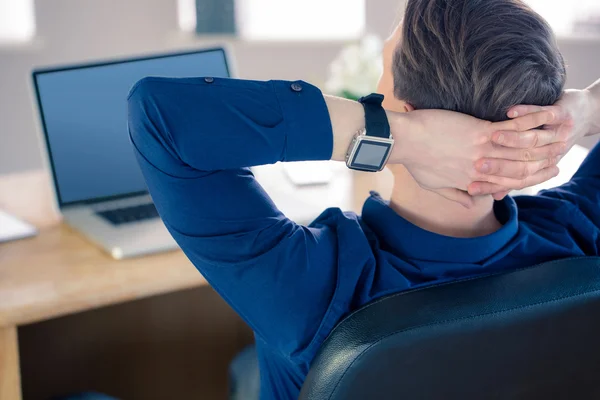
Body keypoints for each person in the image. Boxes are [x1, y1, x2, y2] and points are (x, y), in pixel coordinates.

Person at [127, 0, 600, 398]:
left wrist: (399, 138)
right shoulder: (582, 231)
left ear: (406, 114)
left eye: (384, 74)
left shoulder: (313, 286)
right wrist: (584, 112)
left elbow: (160, 116)